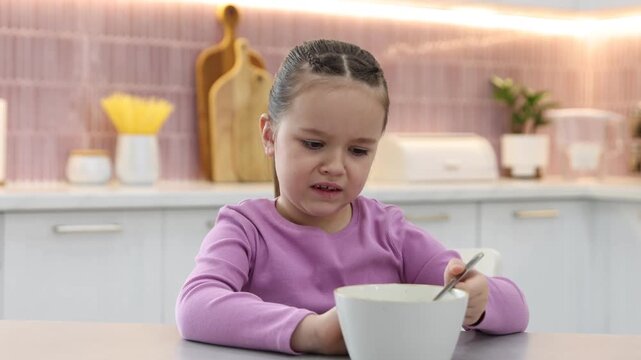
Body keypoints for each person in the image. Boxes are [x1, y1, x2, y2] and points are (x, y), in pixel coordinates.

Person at [176, 39, 529, 355]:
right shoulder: (245, 229)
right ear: (269, 136)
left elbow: (516, 308)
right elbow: (195, 306)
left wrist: (479, 302)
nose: (335, 166)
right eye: (314, 144)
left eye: (358, 151)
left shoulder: (390, 232)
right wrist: (309, 332)